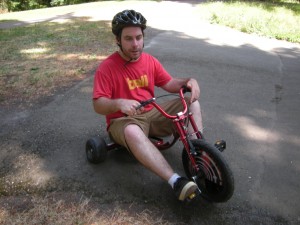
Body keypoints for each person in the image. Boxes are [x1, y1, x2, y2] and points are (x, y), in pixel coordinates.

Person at [93, 9, 204, 201]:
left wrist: (189, 81)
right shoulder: (107, 68)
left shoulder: (149, 61)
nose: (135, 44)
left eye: (138, 37)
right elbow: (98, 105)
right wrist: (119, 103)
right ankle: (176, 181)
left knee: (191, 104)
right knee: (133, 132)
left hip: (152, 114)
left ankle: (201, 157)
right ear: (118, 40)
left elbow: (169, 83)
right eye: (128, 39)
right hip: (124, 121)